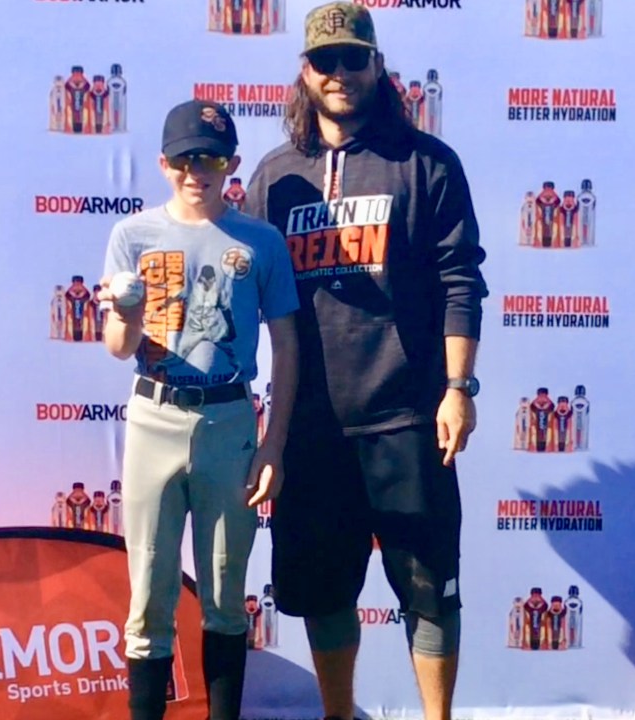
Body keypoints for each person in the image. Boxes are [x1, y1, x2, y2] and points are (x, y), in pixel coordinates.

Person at [243, 4, 488, 720]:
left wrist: (458, 387)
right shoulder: (275, 176)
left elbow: (460, 279)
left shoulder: (426, 164)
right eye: (326, 62)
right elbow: (241, 286)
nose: (341, 74)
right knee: (322, 590)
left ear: (378, 67)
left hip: (408, 416)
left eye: (355, 59)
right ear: (305, 72)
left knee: (431, 586)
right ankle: (339, 713)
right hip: (313, 426)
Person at [98, 99, 300, 720]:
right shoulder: (132, 235)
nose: (197, 171)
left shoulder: (260, 240)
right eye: (185, 159)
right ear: (163, 164)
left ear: (232, 164)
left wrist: (273, 444)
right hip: (155, 413)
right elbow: (118, 347)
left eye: (210, 158)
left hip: (231, 423)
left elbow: (287, 346)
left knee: (224, 592)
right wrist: (127, 314)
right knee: (149, 598)